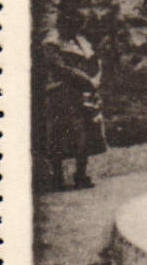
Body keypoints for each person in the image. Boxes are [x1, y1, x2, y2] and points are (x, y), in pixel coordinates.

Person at [40, 12, 108, 190]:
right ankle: (57, 177)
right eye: (72, 26)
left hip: (81, 92)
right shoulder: (52, 42)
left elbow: (94, 61)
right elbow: (60, 67)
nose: (76, 30)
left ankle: (80, 174)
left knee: (84, 131)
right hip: (60, 92)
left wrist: (95, 78)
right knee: (58, 133)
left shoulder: (80, 41)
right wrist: (86, 79)